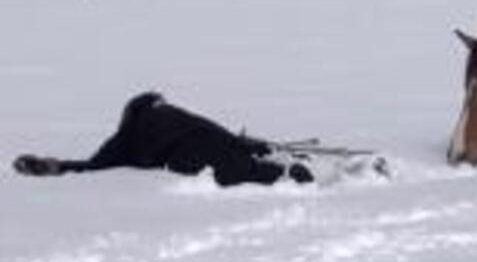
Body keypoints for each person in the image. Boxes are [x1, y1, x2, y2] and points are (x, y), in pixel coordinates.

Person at [12, 92, 382, 187]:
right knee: (262, 172)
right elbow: (218, 135)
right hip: (213, 153)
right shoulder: (176, 116)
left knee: (255, 174)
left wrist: (58, 167)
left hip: (193, 163)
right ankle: (332, 176)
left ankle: (310, 176)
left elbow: (94, 169)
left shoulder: (123, 140)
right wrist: (256, 144)